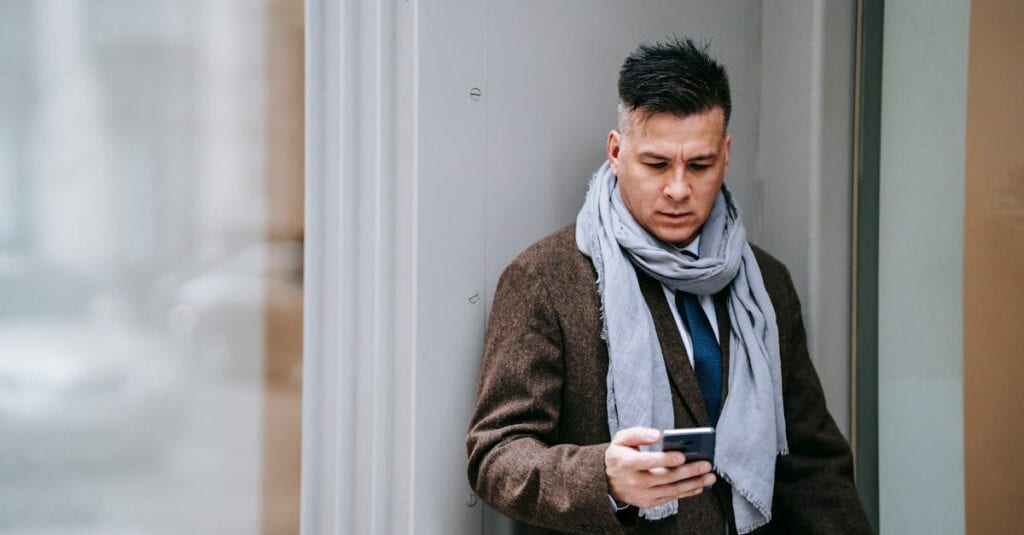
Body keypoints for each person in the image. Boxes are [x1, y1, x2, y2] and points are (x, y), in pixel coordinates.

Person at [465, 38, 871, 534]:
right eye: (656, 165)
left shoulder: (766, 282)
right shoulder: (545, 278)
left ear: (726, 155)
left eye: (699, 166)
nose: (678, 189)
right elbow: (497, 454)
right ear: (617, 153)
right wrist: (605, 478)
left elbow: (811, 463)